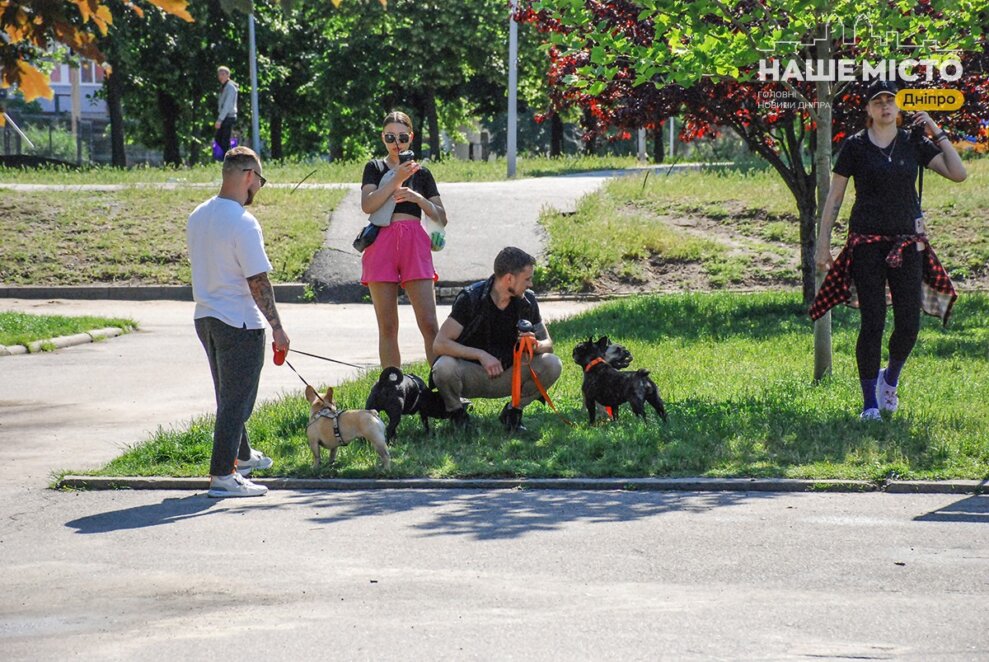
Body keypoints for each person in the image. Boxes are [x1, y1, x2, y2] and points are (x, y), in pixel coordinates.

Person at [812, 79, 966, 421]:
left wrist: (933, 128)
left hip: (908, 244)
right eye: (877, 101)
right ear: (868, 109)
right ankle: (869, 405)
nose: (884, 105)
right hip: (866, 245)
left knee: (909, 323)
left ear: (898, 108)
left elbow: (958, 173)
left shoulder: (914, 142)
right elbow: (834, 198)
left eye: (890, 101)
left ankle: (889, 381)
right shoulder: (854, 146)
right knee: (873, 323)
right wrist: (823, 244)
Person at [187, 146, 290, 498]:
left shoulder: (197, 215)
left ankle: (242, 457)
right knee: (237, 402)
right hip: (239, 322)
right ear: (248, 176)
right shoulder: (243, 222)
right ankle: (222, 476)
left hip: (206, 317)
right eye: (259, 180)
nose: (258, 188)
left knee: (227, 393)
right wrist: (277, 327)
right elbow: (258, 281)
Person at [432, 246, 563, 432]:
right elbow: (440, 343)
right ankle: (457, 414)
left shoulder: (528, 302)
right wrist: (481, 355)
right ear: (509, 278)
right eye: (527, 279)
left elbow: (548, 344)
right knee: (443, 367)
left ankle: (513, 412)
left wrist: (535, 345)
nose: (530, 284)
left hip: (511, 374)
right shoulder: (471, 298)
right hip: (472, 374)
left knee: (552, 363)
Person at [360, 111, 447, 368]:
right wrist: (396, 178)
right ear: (382, 138)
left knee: (429, 323)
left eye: (401, 137)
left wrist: (417, 198)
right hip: (381, 243)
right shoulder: (374, 168)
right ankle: (392, 386)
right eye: (390, 137)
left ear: (411, 137)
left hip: (414, 242)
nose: (396, 143)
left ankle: (443, 385)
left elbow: (441, 217)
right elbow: (368, 205)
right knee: (388, 327)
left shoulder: (422, 173)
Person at [214, 66, 238, 155]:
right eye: (219, 74)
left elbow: (227, 105)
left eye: (223, 74)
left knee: (225, 141)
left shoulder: (230, 87)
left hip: (229, 117)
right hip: (224, 116)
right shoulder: (223, 87)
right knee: (219, 139)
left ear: (228, 75)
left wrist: (220, 120)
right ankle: (225, 159)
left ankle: (229, 160)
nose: (221, 76)